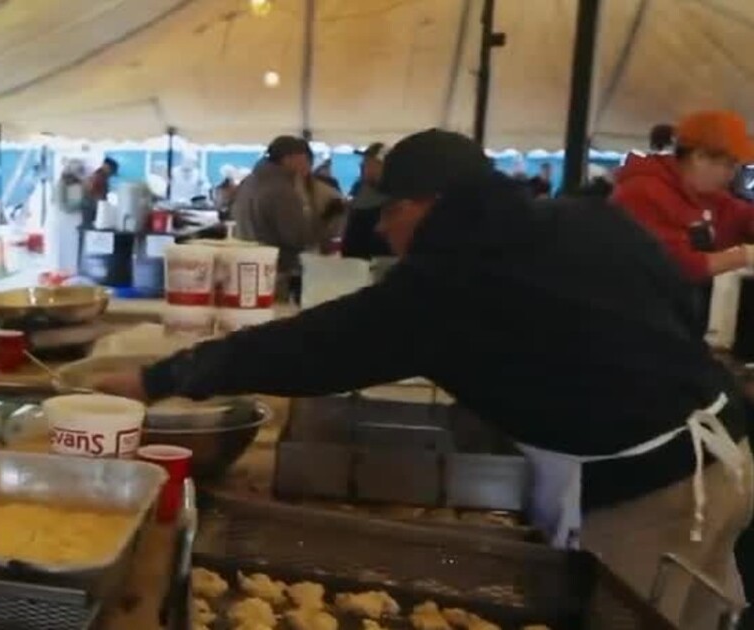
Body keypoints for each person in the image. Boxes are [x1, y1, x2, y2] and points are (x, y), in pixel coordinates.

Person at [94, 128, 754, 630]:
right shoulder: (581, 217)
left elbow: (315, 346)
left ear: (432, 203)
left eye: (389, 209)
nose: (379, 226)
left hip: (658, 495)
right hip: (728, 448)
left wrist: (160, 378)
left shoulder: (452, 280)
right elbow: (674, 293)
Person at [610, 110, 754, 337]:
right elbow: (673, 266)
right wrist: (744, 256)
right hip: (633, 324)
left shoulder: (704, 193)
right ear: (700, 157)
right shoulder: (641, 192)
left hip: (679, 320)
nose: (732, 174)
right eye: (729, 165)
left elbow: (742, 216)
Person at [231, 135, 314, 300]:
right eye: (305, 159)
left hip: (244, 266)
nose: (308, 166)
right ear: (290, 158)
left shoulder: (249, 181)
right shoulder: (281, 190)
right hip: (274, 272)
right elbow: (296, 236)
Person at [342, 142, 393, 259]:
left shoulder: (396, 198)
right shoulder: (361, 186)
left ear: (383, 165)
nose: (362, 164)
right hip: (356, 262)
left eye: (368, 161)